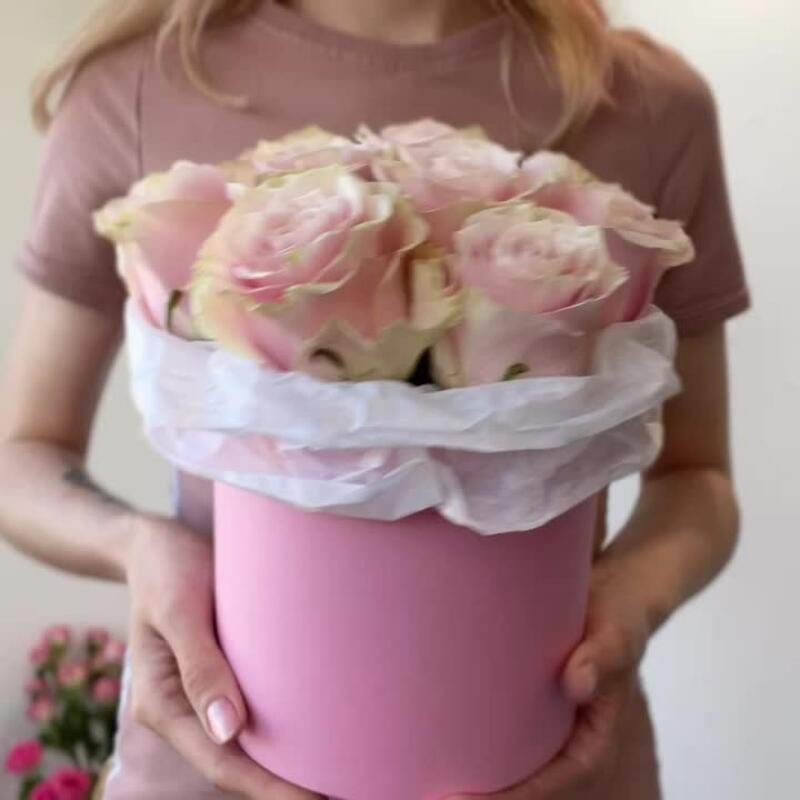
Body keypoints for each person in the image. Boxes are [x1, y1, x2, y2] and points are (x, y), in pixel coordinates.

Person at [0, 1, 750, 798]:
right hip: (217, 755)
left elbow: (696, 476)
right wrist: (140, 548)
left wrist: (628, 601)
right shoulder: (135, 87)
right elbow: (24, 454)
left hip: (550, 753)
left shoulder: (645, 102)